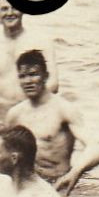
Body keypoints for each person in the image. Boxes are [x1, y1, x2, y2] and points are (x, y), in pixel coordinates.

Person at [5, 50, 87, 181]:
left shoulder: (64, 110)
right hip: (28, 183)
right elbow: (4, 156)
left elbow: (93, 145)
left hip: (57, 181)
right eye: (22, 76)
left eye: (33, 74)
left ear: (46, 76)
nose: (28, 81)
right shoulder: (14, 114)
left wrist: (75, 173)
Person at [0, 0, 56, 107]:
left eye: (15, 8)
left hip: (34, 109)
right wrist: (8, 104)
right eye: (4, 9)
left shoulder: (40, 41)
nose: (9, 13)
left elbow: (54, 84)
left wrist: (27, 105)